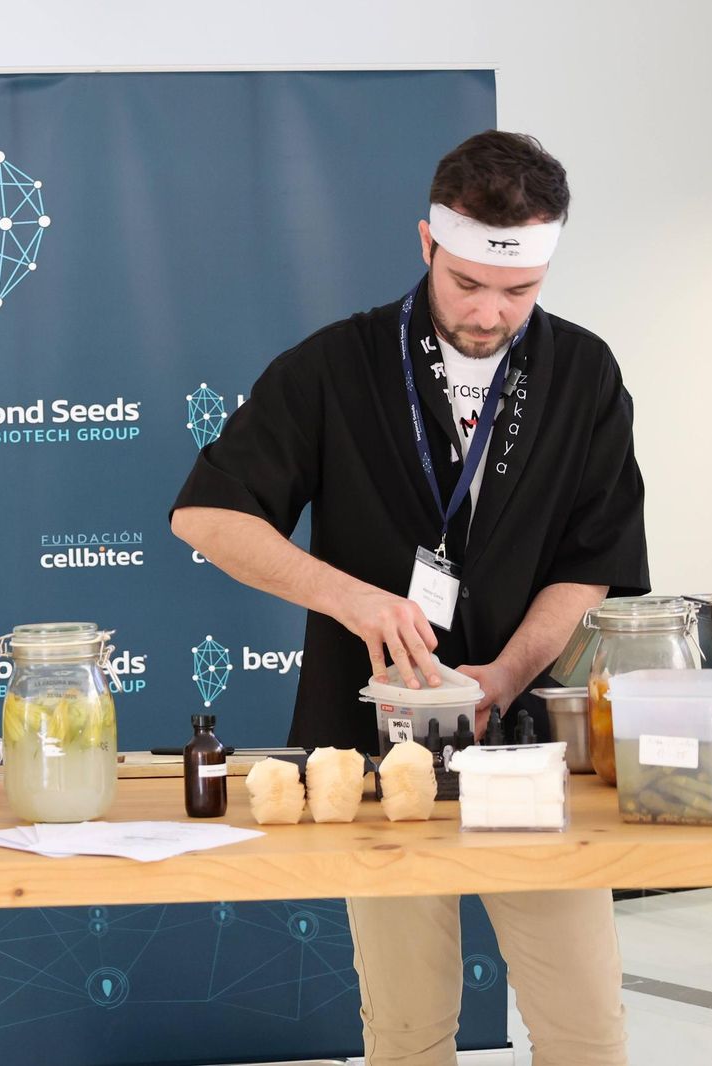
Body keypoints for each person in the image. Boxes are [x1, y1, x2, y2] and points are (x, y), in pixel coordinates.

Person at [171, 131, 646, 1065]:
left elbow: (594, 561)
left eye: (519, 291)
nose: (490, 311)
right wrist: (354, 600)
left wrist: (502, 676)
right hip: (372, 755)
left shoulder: (585, 373)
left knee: (585, 1026)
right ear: (426, 242)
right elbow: (207, 515)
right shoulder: (335, 366)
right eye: (469, 283)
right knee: (407, 1028)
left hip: (527, 747)